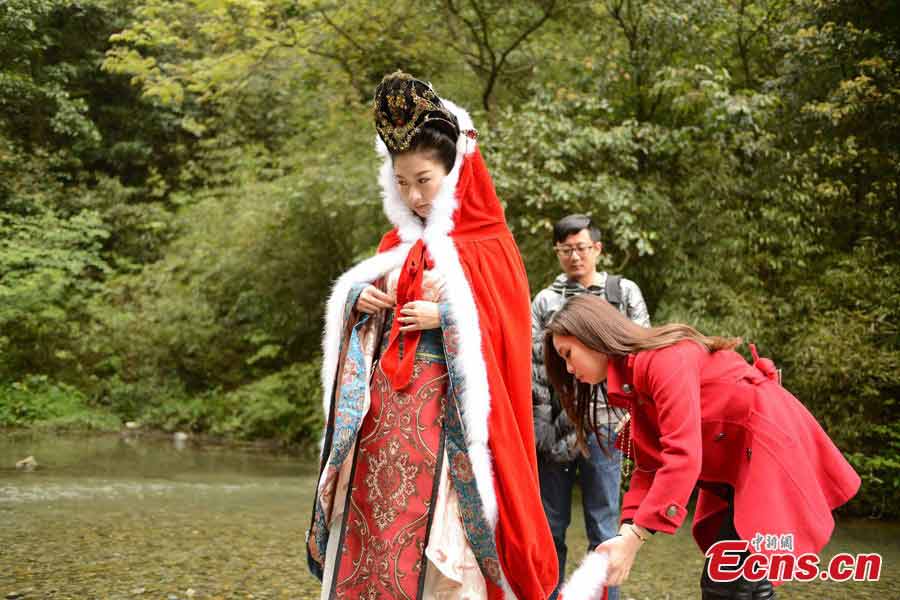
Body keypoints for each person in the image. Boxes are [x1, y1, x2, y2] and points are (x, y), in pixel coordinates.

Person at [306, 71, 557, 600]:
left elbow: (505, 333)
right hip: (384, 428)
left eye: (425, 180)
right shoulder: (396, 241)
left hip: (448, 433)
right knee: (378, 537)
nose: (414, 195)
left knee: (442, 554)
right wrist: (359, 302)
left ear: (455, 171)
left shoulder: (488, 244)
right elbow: (363, 324)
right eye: (402, 182)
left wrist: (447, 318)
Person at [543, 294, 861, 599]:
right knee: (737, 580)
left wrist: (635, 539)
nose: (569, 369)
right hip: (739, 467)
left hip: (768, 453)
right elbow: (650, 465)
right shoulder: (635, 378)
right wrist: (627, 531)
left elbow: (682, 456)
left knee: (727, 580)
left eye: (568, 354)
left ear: (592, 335)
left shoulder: (662, 360)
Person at [531, 214, 649, 600]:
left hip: (607, 428)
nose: (574, 257)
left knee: (603, 526)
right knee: (550, 528)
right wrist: (538, 430)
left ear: (597, 248)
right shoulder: (546, 301)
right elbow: (534, 372)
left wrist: (630, 419)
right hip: (554, 431)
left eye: (581, 248)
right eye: (566, 250)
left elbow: (641, 354)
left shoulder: (622, 292)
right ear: (557, 252)